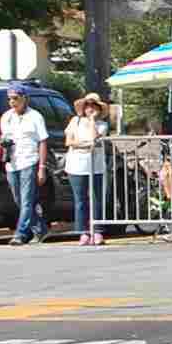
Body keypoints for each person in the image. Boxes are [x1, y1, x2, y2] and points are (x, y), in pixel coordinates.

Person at [1, 87, 53, 246]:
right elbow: (3, 138)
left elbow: (43, 141)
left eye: (15, 98)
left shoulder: (35, 116)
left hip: (29, 162)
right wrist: (2, 143)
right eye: (9, 98)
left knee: (26, 201)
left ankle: (20, 233)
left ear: (25, 98)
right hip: (12, 163)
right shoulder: (6, 117)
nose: (12, 102)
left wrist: (42, 167)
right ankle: (41, 228)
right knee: (19, 199)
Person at [65, 93, 108, 246]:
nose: (90, 108)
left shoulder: (101, 124)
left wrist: (91, 121)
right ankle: (83, 232)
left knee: (96, 198)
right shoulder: (74, 121)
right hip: (76, 164)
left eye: (93, 106)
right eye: (87, 105)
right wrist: (83, 144)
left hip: (95, 165)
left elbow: (95, 139)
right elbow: (69, 141)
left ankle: (97, 231)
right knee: (80, 199)